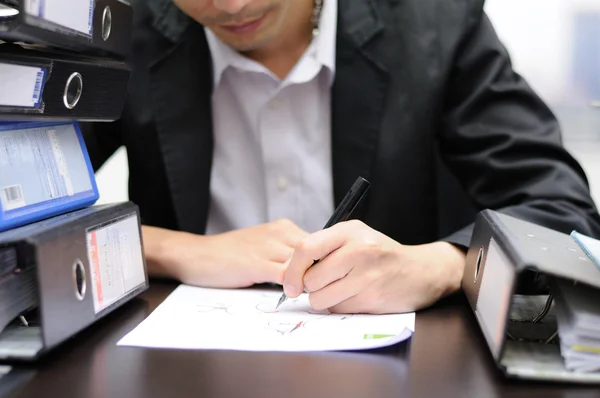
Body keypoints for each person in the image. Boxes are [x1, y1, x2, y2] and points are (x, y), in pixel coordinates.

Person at [82, 0, 600, 314]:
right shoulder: (121, 30)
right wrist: (172, 250)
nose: (233, 7)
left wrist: (442, 265)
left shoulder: (435, 23)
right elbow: (15, 204)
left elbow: (562, 215)